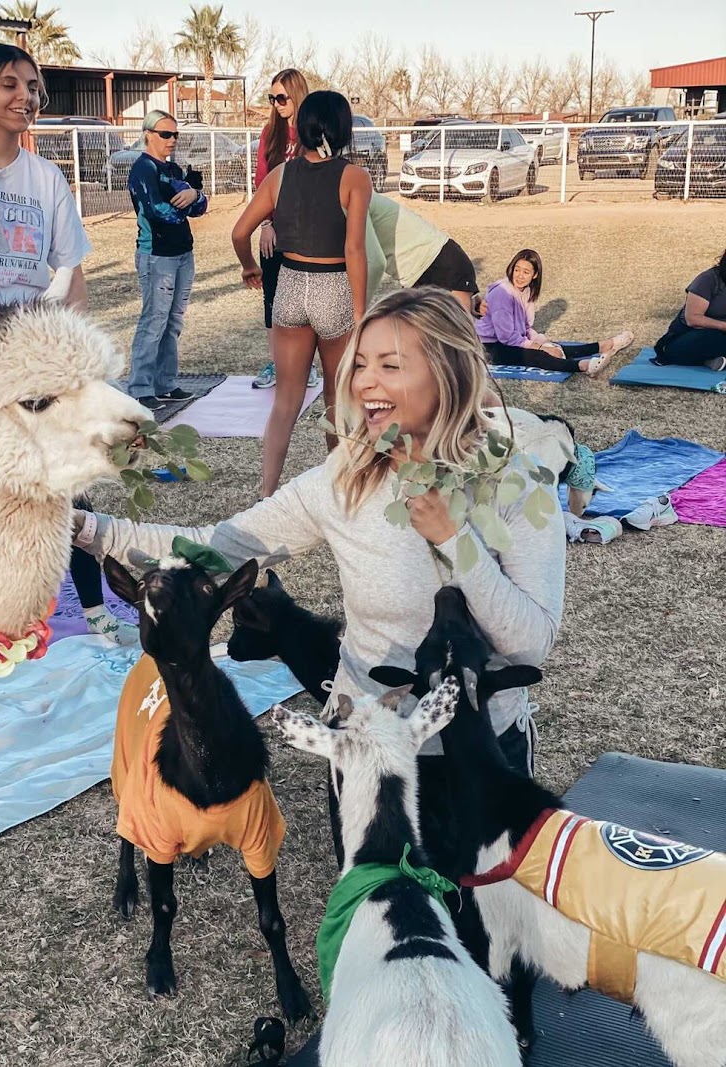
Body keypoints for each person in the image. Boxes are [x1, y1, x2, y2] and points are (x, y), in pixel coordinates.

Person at [73, 288, 566, 777]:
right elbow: (213, 547)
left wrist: (454, 539)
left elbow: (529, 645)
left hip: (485, 757)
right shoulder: (346, 479)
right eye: (360, 364)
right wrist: (83, 529)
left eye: (390, 366)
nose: (364, 382)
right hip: (367, 750)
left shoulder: (514, 480)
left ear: (448, 373)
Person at [0, 42, 135, 645]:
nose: (27, 97)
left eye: (34, 86)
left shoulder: (46, 179)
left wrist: (72, 366)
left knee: (66, 483)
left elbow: (72, 274)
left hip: (38, 369)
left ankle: (94, 609)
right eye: (10, 84)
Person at [232, 90, 372, 497]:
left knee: (285, 402)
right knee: (337, 399)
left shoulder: (279, 175)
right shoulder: (354, 177)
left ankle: (266, 493)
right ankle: (341, 489)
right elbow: (355, 249)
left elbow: (240, 232)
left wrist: (249, 266)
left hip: (290, 284)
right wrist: (360, 311)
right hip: (333, 286)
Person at [126, 109, 208, 411]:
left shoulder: (173, 169)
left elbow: (200, 206)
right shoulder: (142, 169)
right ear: (148, 135)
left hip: (183, 253)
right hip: (156, 255)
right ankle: (140, 387)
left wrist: (194, 195)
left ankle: (166, 383)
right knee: (154, 320)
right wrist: (190, 199)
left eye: (175, 134)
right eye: (165, 134)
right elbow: (158, 212)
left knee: (173, 321)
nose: (172, 140)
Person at [250, 68, 318, 393]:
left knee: (306, 300)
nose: (276, 104)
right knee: (273, 298)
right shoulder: (270, 134)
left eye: (281, 98)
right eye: (272, 98)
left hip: (307, 229)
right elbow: (261, 180)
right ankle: (276, 362)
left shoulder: (312, 132)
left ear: (296, 95)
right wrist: (266, 223)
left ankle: (306, 365)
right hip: (275, 229)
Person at [476, 248, 633, 376]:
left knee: (554, 348)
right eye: (517, 270)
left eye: (526, 272)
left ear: (535, 275)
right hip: (489, 346)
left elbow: (525, 328)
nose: (520, 276)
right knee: (538, 355)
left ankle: (603, 346)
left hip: (509, 340)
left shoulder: (526, 291)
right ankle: (584, 366)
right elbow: (506, 337)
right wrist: (540, 347)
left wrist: (544, 342)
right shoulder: (502, 293)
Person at [365, 191, 478, 314]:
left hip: (440, 265)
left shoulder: (356, 198)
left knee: (455, 325)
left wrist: (358, 310)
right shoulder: (357, 196)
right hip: (417, 275)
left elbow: (375, 263)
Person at [654, 249, 726, 371]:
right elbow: (692, 318)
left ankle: (710, 360)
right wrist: (723, 326)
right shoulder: (708, 279)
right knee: (714, 338)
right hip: (688, 336)